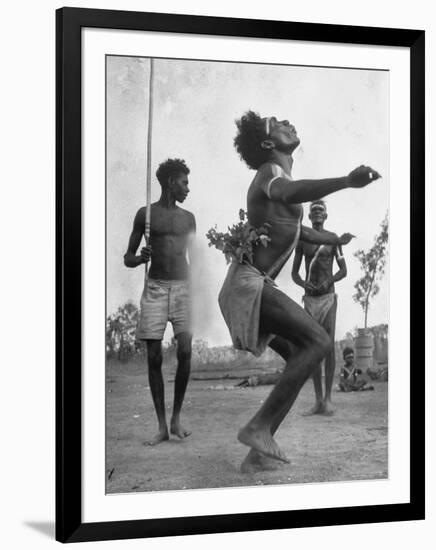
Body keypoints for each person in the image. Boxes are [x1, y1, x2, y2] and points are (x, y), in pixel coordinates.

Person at [218, 111, 380, 471]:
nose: (285, 120)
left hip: (249, 286)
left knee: (301, 355)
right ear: (268, 143)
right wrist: (346, 182)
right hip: (248, 284)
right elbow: (290, 191)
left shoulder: (279, 187)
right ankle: (259, 427)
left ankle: (257, 451)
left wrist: (336, 239)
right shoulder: (270, 175)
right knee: (320, 341)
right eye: (275, 122)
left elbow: (300, 233)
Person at [124, 158, 196, 445]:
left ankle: (177, 418)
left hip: (183, 288)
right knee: (154, 357)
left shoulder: (188, 218)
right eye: (184, 182)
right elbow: (128, 258)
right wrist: (140, 257)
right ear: (170, 183)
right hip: (155, 289)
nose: (188, 188)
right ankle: (162, 425)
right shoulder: (146, 215)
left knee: (186, 351)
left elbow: (193, 257)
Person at [292, 200, 347, 415]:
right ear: (309, 216)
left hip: (328, 298)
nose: (316, 213)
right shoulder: (302, 240)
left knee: (328, 346)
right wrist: (303, 284)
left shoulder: (333, 240)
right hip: (310, 299)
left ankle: (328, 399)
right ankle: (317, 401)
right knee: (314, 347)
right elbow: (295, 273)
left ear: (326, 215)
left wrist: (329, 280)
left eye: (320, 210)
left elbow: (343, 270)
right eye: (313, 210)